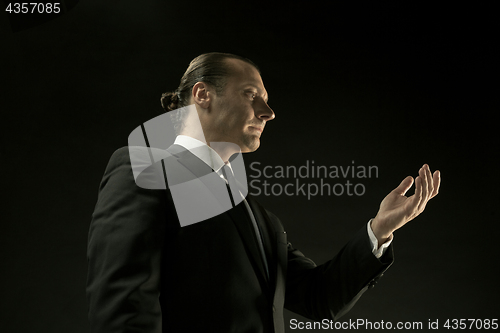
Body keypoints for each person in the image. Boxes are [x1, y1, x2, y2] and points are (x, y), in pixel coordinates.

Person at [86, 52, 441, 333]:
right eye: (250, 94)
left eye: (266, 100)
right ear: (203, 94)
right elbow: (124, 307)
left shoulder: (257, 218)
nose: (268, 113)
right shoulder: (144, 169)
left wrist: (380, 230)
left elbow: (318, 298)